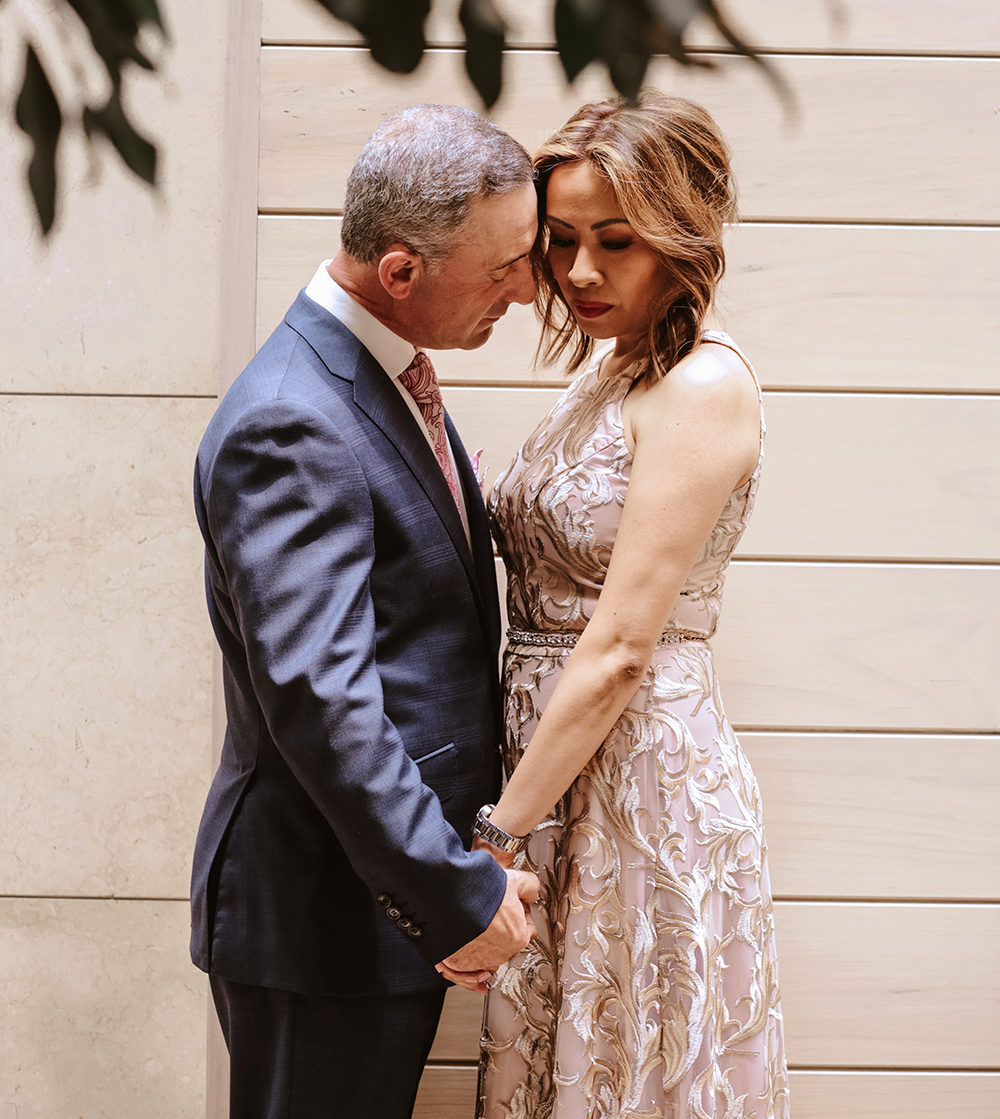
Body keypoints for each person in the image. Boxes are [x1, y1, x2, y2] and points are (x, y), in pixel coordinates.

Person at [190, 104, 541, 1119]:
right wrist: (451, 893)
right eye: (503, 268)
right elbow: (321, 699)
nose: (524, 290)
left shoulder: (379, 379)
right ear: (400, 274)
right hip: (320, 917)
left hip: (370, 905)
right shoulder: (293, 421)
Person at [457, 91, 790, 1118]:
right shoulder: (612, 370)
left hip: (640, 781)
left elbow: (619, 646)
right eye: (561, 243)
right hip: (558, 771)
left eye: (618, 241)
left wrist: (495, 842)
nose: (583, 272)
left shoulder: (701, 386)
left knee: (628, 1066)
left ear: (683, 235)